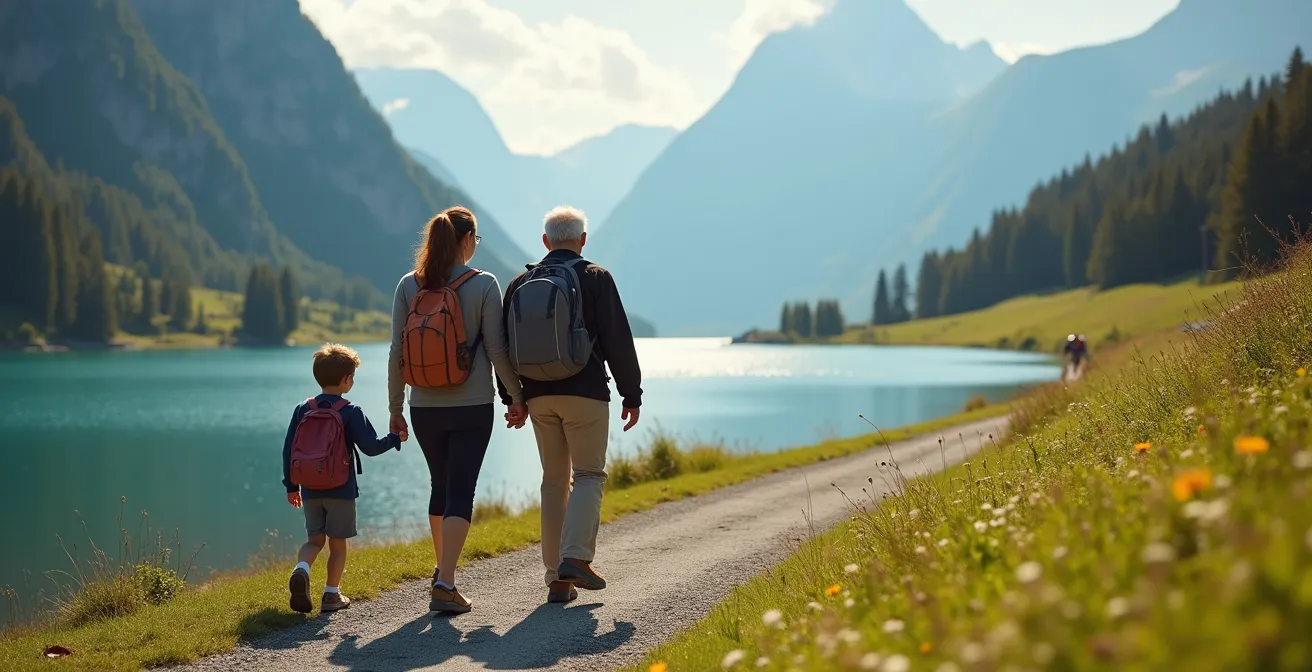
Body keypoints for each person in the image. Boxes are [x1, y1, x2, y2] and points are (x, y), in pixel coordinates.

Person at [499, 205, 642, 604]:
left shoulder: (519, 283)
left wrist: (512, 398)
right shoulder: (595, 277)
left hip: (538, 397)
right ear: (582, 240)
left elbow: (503, 345)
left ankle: (556, 580)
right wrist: (633, 393)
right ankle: (575, 558)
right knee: (589, 475)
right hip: (586, 393)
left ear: (545, 242)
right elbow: (618, 339)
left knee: (553, 481)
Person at [387, 206, 526, 615]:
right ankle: (446, 583)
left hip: (424, 407)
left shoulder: (408, 285)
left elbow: (398, 353)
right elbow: (498, 350)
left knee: (441, 486)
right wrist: (515, 396)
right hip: (471, 404)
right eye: (476, 240)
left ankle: (442, 570)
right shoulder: (483, 284)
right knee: (461, 490)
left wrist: (395, 408)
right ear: (467, 240)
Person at [284, 343, 402, 614]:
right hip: (340, 488)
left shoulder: (303, 408)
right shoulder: (351, 411)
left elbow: (289, 449)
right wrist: (394, 439)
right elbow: (371, 447)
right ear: (347, 380)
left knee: (314, 541)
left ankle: (301, 569)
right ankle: (331, 594)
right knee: (338, 544)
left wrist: (291, 486)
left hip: (310, 487)